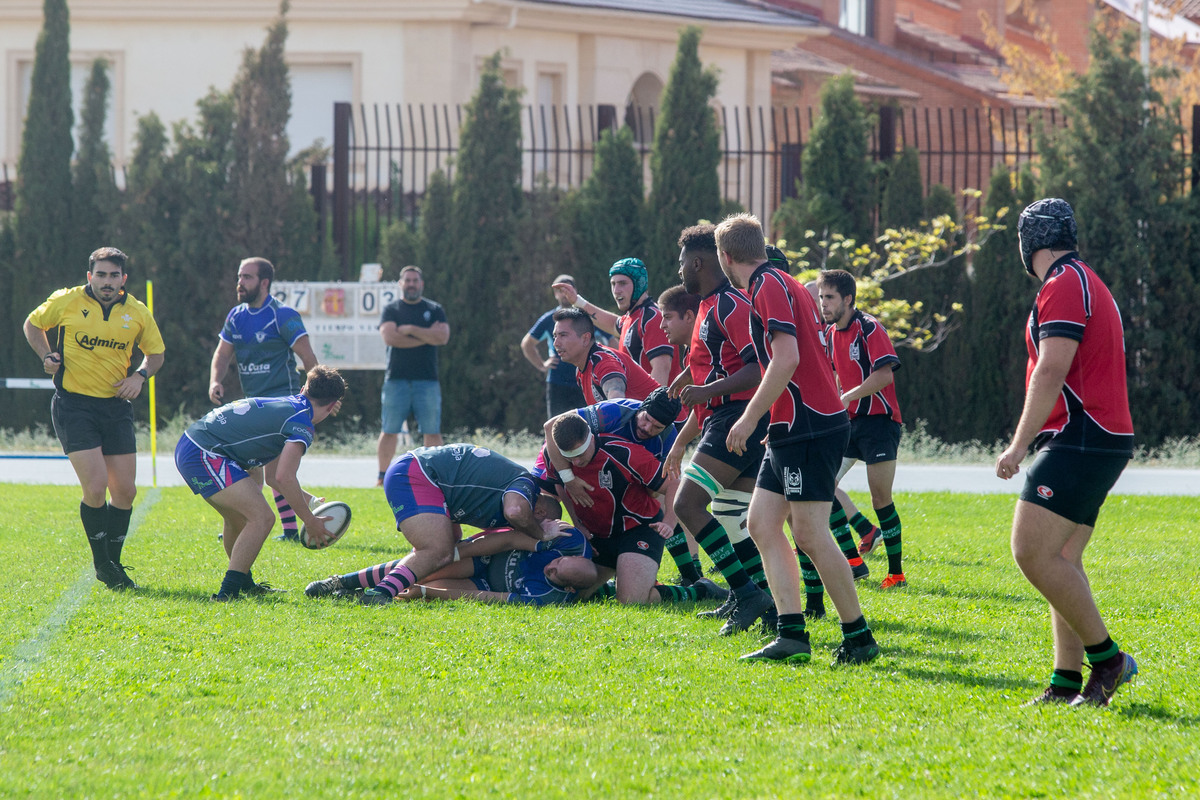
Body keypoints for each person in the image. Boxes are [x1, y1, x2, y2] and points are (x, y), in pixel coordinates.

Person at [716, 213, 879, 666]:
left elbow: (785, 358)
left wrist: (748, 419)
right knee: (762, 524)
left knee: (808, 532)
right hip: (790, 427)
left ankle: (859, 637)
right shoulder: (781, 281)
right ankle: (792, 634)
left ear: (726, 257)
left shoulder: (768, 286)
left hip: (808, 424)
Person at [995, 198, 1137, 707]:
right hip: (1096, 435)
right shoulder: (1080, 279)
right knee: (1061, 558)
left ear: (1027, 241)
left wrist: (1017, 445)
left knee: (1030, 551)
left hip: (1086, 434)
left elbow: (1051, 370)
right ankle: (1065, 683)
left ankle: (1110, 660)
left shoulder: (1063, 283)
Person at [23, 247, 165, 591]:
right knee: (96, 486)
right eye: (100, 274)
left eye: (113, 275)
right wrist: (47, 355)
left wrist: (140, 377)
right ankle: (103, 564)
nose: (106, 281)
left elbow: (156, 353)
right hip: (74, 407)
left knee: (126, 492)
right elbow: (32, 324)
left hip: (116, 408)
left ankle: (112, 562)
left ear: (123, 280)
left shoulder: (137, 312)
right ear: (90, 276)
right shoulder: (67, 301)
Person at [663, 224, 775, 635]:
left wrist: (706, 388)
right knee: (729, 514)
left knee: (687, 506)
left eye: (681, 263)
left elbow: (757, 366)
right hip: (726, 417)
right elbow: (718, 360)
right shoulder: (709, 305)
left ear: (698, 262)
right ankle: (759, 599)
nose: (679, 272)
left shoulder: (729, 303)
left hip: (737, 418)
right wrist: (688, 378)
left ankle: (747, 592)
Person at [175, 365, 346, 600]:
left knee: (238, 520)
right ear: (330, 406)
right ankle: (228, 593)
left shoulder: (291, 406)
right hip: (204, 452)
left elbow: (274, 476)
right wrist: (309, 520)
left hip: (194, 445)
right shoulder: (302, 424)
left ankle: (243, 584)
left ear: (305, 387)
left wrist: (311, 501)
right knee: (262, 518)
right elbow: (285, 478)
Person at [538, 414, 725, 606]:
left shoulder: (624, 453)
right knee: (571, 597)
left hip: (638, 530)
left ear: (590, 438)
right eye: (569, 457)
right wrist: (577, 525)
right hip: (597, 537)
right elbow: (561, 486)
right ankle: (623, 582)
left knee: (631, 601)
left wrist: (669, 521)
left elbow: (673, 484)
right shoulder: (554, 456)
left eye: (579, 455)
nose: (575, 462)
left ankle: (701, 591)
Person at [363, 443, 565, 605]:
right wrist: (541, 534)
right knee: (438, 552)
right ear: (539, 511)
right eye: (544, 522)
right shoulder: (526, 486)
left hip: (422, 475)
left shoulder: (516, 502)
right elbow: (516, 512)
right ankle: (380, 593)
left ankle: (343, 583)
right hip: (418, 473)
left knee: (439, 554)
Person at [208, 257, 319, 543]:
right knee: (256, 469)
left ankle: (300, 518)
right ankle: (284, 522)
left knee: (272, 473)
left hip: (283, 404)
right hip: (253, 406)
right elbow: (222, 353)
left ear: (264, 282)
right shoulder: (236, 316)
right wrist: (215, 381)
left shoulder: (282, 315)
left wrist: (315, 397)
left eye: (247, 277)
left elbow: (308, 358)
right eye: (239, 276)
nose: (240, 283)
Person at [818, 269, 906, 590]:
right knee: (823, 484)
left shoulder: (869, 328)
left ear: (848, 299)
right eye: (821, 297)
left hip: (880, 423)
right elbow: (834, 378)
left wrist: (846, 396)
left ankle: (896, 574)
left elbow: (884, 375)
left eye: (829, 297)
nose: (823, 303)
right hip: (849, 423)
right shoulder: (829, 334)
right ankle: (854, 563)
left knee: (880, 498)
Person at [307, 525, 598, 605]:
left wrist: (427, 593)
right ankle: (341, 581)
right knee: (423, 565)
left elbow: (486, 597)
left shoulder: (549, 598)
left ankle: (355, 596)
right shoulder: (570, 540)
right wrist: (458, 552)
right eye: (558, 562)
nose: (551, 567)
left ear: (569, 588)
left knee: (423, 586)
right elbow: (510, 538)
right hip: (485, 556)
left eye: (556, 575)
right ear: (574, 556)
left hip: (484, 583)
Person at [554, 257, 682, 386]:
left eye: (622, 283)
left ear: (639, 284)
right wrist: (577, 301)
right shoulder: (632, 318)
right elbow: (612, 324)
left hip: (662, 405)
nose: (616, 290)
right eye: (613, 284)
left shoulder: (653, 318)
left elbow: (662, 369)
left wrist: (650, 406)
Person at [377, 266, 450, 485]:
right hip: (396, 380)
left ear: (421, 284)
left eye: (415, 280)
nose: (411, 284)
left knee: (432, 431)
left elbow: (443, 337)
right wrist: (427, 335)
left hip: (427, 381)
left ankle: (434, 478)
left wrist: (408, 328)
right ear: (401, 283)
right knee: (389, 430)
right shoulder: (391, 310)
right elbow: (390, 338)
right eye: (407, 280)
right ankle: (381, 477)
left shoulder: (434, 309)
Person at [550, 307, 660, 404]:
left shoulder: (604, 362)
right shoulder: (581, 370)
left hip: (672, 424)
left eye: (563, 335)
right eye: (555, 336)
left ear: (585, 339)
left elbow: (617, 403)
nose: (556, 343)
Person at [521, 274, 588, 418]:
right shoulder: (549, 319)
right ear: (555, 294)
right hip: (557, 382)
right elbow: (527, 344)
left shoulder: (586, 316)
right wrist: (542, 365)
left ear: (575, 291)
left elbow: (611, 339)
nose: (564, 294)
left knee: (587, 427)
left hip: (585, 380)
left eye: (567, 289)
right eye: (560, 290)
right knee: (556, 428)